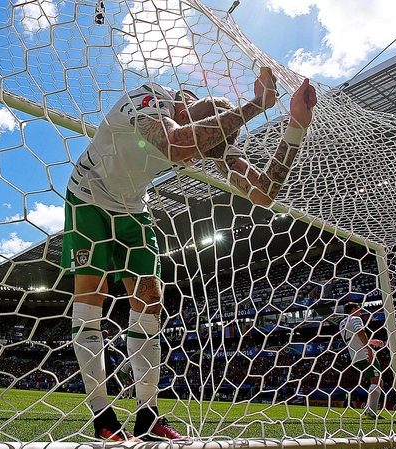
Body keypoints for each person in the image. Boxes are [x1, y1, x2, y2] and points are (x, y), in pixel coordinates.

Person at [62, 67, 317, 442]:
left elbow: (262, 193)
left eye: (201, 157)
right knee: (92, 298)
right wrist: (258, 105)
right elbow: (176, 144)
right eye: (198, 153)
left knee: (150, 301)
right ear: (185, 112)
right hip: (88, 195)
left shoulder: (203, 136)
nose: (191, 162)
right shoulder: (149, 99)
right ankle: (103, 417)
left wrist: (296, 125)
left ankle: (147, 417)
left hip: (133, 209)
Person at [339, 302, 384, 419]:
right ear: (353, 309)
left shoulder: (341, 323)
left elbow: (354, 338)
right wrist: (369, 349)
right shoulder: (355, 318)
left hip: (355, 357)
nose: (360, 311)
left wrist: (372, 341)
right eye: (359, 308)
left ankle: (369, 409)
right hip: (365, 355)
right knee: (376, 382)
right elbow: (360, 332)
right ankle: (371, 413)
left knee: (379, 382)